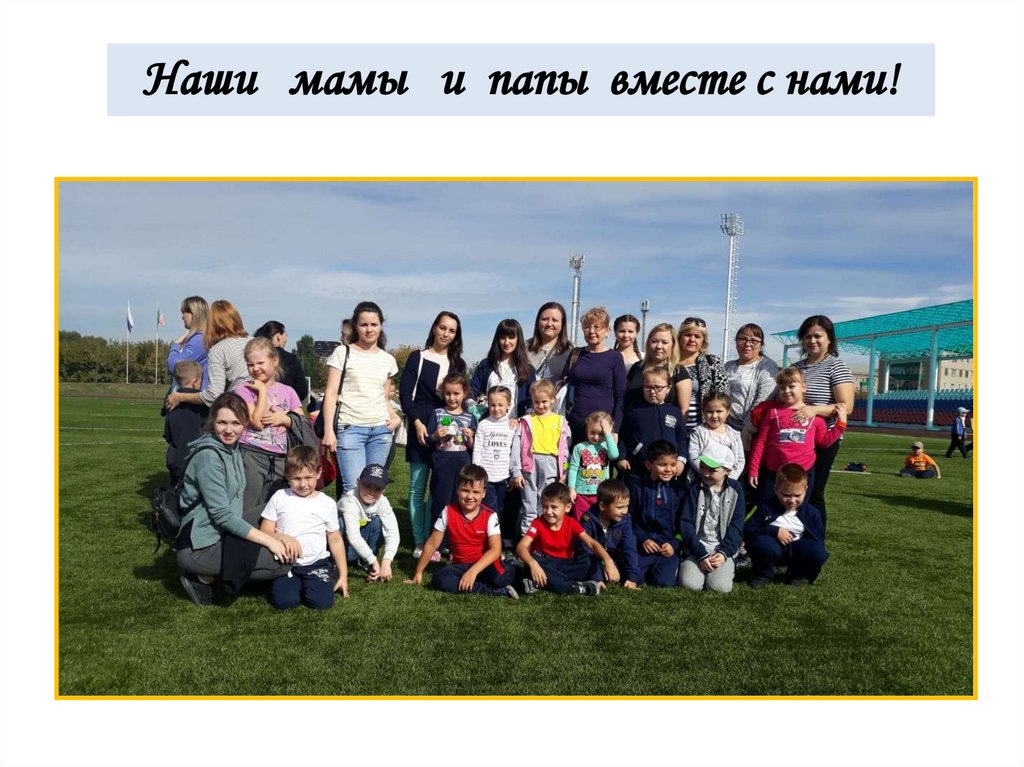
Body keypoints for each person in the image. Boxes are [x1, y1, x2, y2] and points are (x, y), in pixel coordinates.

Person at [175, 392, 291, 606]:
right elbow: (222, 516)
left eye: (236, 423)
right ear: (212, 422)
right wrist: (271, 540)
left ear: (245, 423)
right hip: (200, 546)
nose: (229, 430)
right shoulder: (209, 457)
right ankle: (203, 577)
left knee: (280, 505)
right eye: (222, 422)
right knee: (281, 562)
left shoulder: (232, 448)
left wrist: (280, 535)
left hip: (222, 532)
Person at [398, 311, 467, 555]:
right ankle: (419, 540)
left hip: (446, 431)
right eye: (443, 328)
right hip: (420, 426)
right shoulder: (417, 357)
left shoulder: (458, 364)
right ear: (435, 328)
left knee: (439, 489)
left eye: (452, 330)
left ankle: (433, 538)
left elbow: (461, 398)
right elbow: (405, 394)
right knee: (417, 488)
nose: (446, 334)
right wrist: (416, 422)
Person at [321, 301, 402, 497]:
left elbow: (384, 397)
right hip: (350, 429)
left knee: (373, 490)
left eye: (374, 324)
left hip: (381, 432)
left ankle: (371, 520)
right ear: (356, 326)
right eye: (364, 324)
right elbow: (330, 394)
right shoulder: (342, 353)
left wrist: (395, 417)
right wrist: (329, 431)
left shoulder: (388, 360)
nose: (369, 329)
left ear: (381, 326)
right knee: (352, 490)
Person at [404, 464, 518, 598]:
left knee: (500, 577)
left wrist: (473, 571)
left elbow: (495, 550)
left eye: (476, 492)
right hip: (461, 566)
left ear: (484, 494)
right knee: (440, 580)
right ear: (457, 489)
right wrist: (418, 572)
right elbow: (432, 544)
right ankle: (493, 590)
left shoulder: (490, 516)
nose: (470, 496)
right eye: (465, 490)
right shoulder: (447, 512)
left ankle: (510, 564)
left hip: (485, 564)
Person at [259, 446, 349, 609]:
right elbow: (265, 530)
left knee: (322, 604)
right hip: (285, 562)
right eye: (297, 478)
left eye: (308, 477)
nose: (303, 484)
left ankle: (330, 574)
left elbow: (335, 539)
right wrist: (282, 537)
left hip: (316, 562)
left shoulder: (327, 503)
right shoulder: (280, 497)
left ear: (318, 473)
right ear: (287, 475)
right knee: (285, 602)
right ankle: (284, 583)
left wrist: (344, 575)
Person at [790, 315, 856, 528]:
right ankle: (792, 537)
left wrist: (814, 410)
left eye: (818, 336)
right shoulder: (796, 368)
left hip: (823, 439)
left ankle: (815, 538)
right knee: (792, 490)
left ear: (829, 339)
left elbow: (846, 406)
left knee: (813, 492)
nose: (812, 340)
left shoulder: (836, 366)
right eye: (807, 336)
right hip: (796, 438)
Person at [748, 367, 847, 503]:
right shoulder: (772, 414)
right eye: (782, 387)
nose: (786, 391)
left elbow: (824, 442)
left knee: (798, 510)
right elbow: (761, 443)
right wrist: (753, 469)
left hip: (803, 473)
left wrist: (841, 424)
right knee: (767, 509)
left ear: (803, 388)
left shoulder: (815, 417)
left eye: (791, 386)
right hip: (773, 472)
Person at [234, 337, 304, 523]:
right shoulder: (244, 390)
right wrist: (263, 392)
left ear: (274, 360)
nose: (255, 368)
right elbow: (256, 422)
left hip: (280, 458)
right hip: (252, 454)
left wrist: (284, 419)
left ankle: (267, 538)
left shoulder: (288, 391)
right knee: (248, 503)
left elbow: (301, 422)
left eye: (260, 363)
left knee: (274, 507)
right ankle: (240, 536)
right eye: (250, 364)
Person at [516, 482, 618, 596]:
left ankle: (538, 582)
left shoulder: (571, 523)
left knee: (590, 560)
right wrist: (533, 564)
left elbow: (592, 543)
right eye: (545, 506)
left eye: (554, 507)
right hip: (545, 563)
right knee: (534, 562)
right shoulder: (538, 523)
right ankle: (574, 587)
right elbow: (521, 547)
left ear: (567, 507)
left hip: (565, 565)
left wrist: (608, 561)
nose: (548, 512)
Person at [744, 463, 829, 588]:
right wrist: (774, 531)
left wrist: (815, 558)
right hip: (772, 547)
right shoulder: (765, 506)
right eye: (786, 495)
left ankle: (797, 574)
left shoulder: (812, 513)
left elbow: (818, 540)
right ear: (776, 489)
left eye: (797, 495)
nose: (792, 500)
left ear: (805, 490)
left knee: (817, 551)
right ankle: (763, 574)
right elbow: (747, 527)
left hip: (797, 549)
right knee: (764, 545)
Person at [677, 442, 746, 593]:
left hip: (721, 549)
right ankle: (690, 564)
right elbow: (686, 523)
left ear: (727, 470)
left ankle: (727, 564)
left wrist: (724, 553)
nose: (705, 473)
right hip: (697, 548)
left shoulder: (736, 490)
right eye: (702, 467)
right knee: (689, 584)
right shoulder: (695, 488)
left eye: (712, 470)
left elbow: (736, 526)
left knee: (720, 587)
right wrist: (700, 554)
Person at [165, 299, 250, 412]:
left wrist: (180, 397)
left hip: (236, 408)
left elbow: (213, 395)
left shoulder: (217, 349)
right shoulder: (256, 343)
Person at [510, 379, 571, 534]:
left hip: (551, 465)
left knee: (546, 502)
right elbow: (516, 446)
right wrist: (516, 471)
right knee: (529, 504)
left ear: (552, 400)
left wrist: (565, 470)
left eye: (544, 402)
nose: (540, 405)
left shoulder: (560, 422)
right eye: (536, 402)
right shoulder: (526, 421)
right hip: (529, 465)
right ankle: (527, 540)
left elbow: (565, 450)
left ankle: (543, 537)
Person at [563, 306, 626, 445]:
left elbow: (620, 397)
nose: (591, 331)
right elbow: (563, 386)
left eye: (597, 327)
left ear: (607, 330)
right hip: (576, 425)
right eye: (587, 327)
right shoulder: (575, 354)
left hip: (602, 428)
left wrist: (615, 430)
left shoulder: (614, 357)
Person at [427, 373, 477, 546]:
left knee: (461, 502)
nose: (452, 398)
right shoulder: (437, 413)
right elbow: (429, 439)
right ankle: (437, 544)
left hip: (462, 463)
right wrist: (436, 435)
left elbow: (472, 446)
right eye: (448, 393)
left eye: (456, 393)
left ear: (464, 393)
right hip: (442, 463)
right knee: (440, 502)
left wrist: (470, 438)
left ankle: (456, 543)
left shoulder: (469, 417)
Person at [617, 364, 688, 488]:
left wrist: (681, 459)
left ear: (668, 388)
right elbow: (623, 435)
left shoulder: (675, 412)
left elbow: (682, 438)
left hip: (669, 472)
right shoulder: (634, 411)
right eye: (648, 387)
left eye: (658, 387)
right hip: (639, 470)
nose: (652, 391)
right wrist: (622, 457)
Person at [629, 440, 685, 587]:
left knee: (664, 583)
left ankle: (671, 565)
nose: (668, 469)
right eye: (662, 465)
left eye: (673, 464)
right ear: (649, 465)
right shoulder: (638, 488)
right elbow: (630, 518)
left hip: (668, 546)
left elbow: (685, 522)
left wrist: (674, 544)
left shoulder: (679, 490)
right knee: (634, 577)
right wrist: (643, 539)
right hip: (645, 545)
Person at [337, 463, 401, 581]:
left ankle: (365, 562)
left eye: (378, 489)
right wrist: (373, 560)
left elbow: (393, 531)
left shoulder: (382, 501)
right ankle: (335, 561)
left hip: (359, 538)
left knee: (377, 521)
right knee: (340, 523)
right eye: (368, 486)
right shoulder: (349, 501)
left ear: (384, 489)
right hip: (344, 543)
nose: (372, 492)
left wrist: (387, 561)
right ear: (358, 482)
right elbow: (353, 536)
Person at [471, 386, 519, 537]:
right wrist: (477, 473)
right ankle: (488, 538)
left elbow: (515, 452)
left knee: (501, 508)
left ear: (508, 405)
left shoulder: (513, 426)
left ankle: (496, 538)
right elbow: (477, 449)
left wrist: (513, 475)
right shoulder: (484, 424)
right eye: (492, 405)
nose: (496, 409)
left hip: (504, 477)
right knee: (490, 509)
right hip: (487, 477)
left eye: (500, 405)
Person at [724, 323, 779, 450]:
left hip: (751, 430)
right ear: (736, 342)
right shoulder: (727, 366)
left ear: (761, 345)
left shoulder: (767, 366)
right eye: (742, 339)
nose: (747, 344)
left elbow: (765, 399)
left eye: (754, 341)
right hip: (726, 427)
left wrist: (747, 427)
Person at [579, 479, 640, 589]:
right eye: (620, 507)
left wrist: (632, 578)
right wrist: (596, 578)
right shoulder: (588, 520)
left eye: (626, 506)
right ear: (603, 506)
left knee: (639, 573)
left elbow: (629, 548)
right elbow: (586, 550)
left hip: (614, 557)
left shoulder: (625, 520)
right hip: (594, 559)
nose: (624, 511)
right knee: (585, 563)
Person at [470, 319, 536, 417]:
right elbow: (471, 391)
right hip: (488, 423)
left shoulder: (528, 369)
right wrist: (475, 410)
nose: (506, 342)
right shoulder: (486, 365)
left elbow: (533, 400)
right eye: (502, 338)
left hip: (515, 424)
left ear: (518, 339)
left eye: (511, 337)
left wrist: (523, 420)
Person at [623, 322, 692, 412]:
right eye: (654, 341)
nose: (659, 346)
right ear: (648, 343)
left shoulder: (679, 371)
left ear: (673, 345)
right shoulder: (637, 367)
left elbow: (684, 410)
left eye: (664, 342)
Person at [677, 316, 729, 429]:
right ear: (680, 337)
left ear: (703, 341)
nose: (692, 339)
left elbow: (723, 398)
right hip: (672, 427)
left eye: (697, 336)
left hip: (704, 429)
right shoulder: (669, 363)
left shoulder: (713, 362)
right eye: (688, 335)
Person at [162, 359, 208, 485]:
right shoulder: (203, 404)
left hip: (175, 456)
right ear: (195, 381)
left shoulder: (170, 402)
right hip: (196, 456)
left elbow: (168, 433)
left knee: (176, 488)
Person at [566, 410, 619, 519]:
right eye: (592, 432)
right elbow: (573, 468)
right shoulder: (579, 447)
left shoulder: (606, 446)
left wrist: (608, 434)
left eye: (601, 434)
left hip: (600, 495)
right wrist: (571, 488)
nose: (596, 437)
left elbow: (614, 455)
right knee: (580, 521)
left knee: (598, 521)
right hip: (581, 494)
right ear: (587, 429)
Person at [687, 392, 745, 483]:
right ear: (703, 412)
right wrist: (707, 473)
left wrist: (730, 479)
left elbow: (740, 460)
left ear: (728, 412)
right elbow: (693, 454)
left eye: (719, 411)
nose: (714, 416)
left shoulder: (734, 435)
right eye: (709, 411)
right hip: (702, 480)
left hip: (727, 481)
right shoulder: (698, 432)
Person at [254, 320, 309, 403]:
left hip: (258, 403)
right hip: (285, 405)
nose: (286, 339)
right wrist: (289, 401)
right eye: (285, 335)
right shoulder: (290, 359)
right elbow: (302, 389)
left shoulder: (255, 357)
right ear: (278, 336)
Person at [166, 295, 210, 391]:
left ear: (192, 313)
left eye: (184, 313)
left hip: (192, 396)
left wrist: (175, 345)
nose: (182, 317)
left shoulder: (199, 341)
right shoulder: (201, 338)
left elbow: (174, 367)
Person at [525, 301, 574, 383]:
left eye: (555, 320)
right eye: (545, 319)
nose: (549, 324)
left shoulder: (571, 351)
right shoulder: (523, 348)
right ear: (538, 321)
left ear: (562, 324)